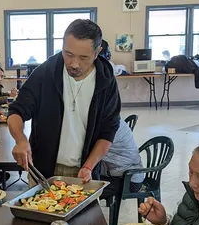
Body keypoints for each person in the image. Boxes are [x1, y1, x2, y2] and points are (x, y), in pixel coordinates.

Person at [8, 19, 121, 181]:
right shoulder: (46, 73)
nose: (74, 64)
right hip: (43, 171)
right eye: (68, 54)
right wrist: (20, 139)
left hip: (84, 173)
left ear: (97, 53)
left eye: (83, 57)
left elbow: (109, 130)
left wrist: (89, 166)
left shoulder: (106, 81)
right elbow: (17, 111)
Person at [100, 118, 144, 198]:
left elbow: (89, 153)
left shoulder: (110, 125)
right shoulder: (110, 118)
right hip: (116, 173)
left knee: (88, 192)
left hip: (128, 180)